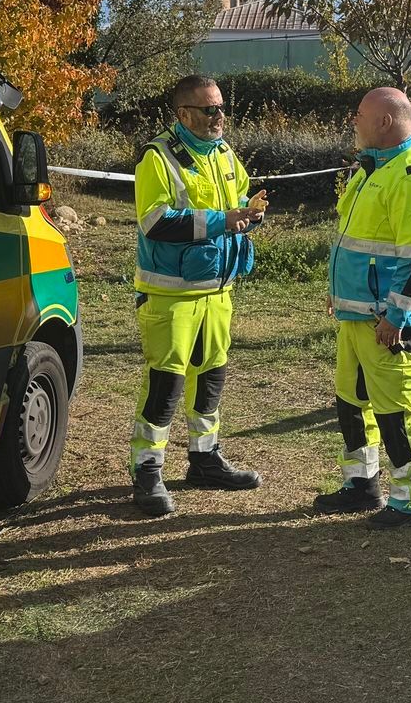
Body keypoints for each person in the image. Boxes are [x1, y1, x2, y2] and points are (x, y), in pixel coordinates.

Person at [129, 75, 268, 516]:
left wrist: (252, 215)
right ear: (183, 113)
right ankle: (147, 472)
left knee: (210, 377)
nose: (219, 117)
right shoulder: (158, 156)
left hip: (217, 291)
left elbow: (240, 200)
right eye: (209, 110)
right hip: (171, 297)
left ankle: (204, 460)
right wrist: (222, 220)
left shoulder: (224, 153)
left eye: (222, 107)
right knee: (166, 385)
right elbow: (153, 222)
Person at [314, 87, 411, 527]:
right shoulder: (371, 170)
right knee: (351, 402)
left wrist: (396, 316)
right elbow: (358, 245)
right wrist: (339, 292)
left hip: (390, 324)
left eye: (360, 114)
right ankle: (361, 485)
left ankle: (410, 499)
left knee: (396, 410)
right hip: (358, 317)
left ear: (385, 122)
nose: (354, 121)